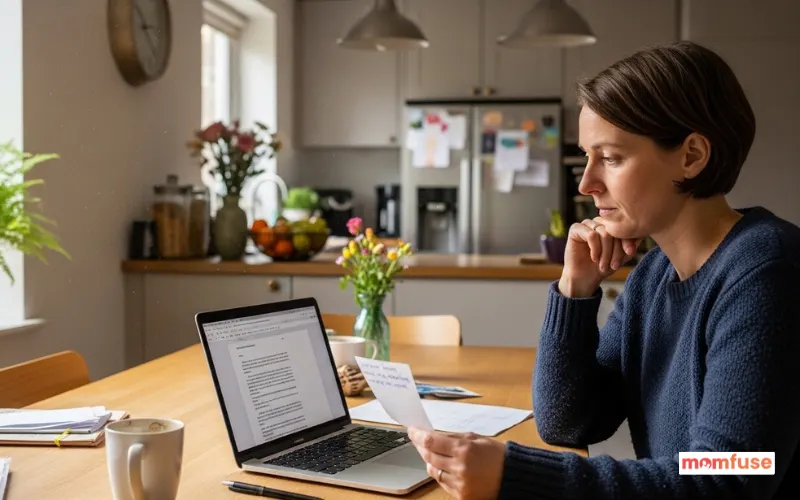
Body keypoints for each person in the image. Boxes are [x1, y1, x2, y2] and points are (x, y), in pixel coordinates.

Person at [407, 40, 800, 500]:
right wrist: (574, 292)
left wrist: (516, 476)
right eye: (587, 156)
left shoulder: (766, 271)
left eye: (611, 158)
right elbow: (568, 420)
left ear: (692, 156)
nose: (587, 182)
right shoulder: (654, 275)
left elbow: (730, 476)